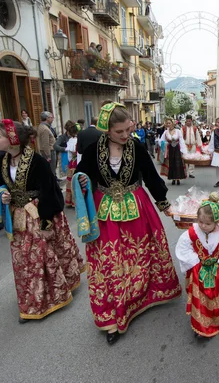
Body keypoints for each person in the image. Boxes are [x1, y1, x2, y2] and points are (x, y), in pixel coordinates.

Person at [74, 103, 181, 344]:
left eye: (128, 130)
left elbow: (152, 176)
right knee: (110, 261)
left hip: (137, 207)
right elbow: (81, 174)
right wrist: (81, 182)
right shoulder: (93, 149)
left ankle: (143, 296)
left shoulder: (136, 146)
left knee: (141, 254)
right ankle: (113, 314)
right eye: (119, 132)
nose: (125, 136)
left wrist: (164, 204)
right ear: (107, 130)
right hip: (106, 212)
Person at [0, 120, 85, 323]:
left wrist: (46, 225)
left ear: (13, 140)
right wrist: (3, 195)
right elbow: (0, 186)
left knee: (41, 258)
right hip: (18, 218)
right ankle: (32, 299)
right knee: (24, 262)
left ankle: (40, 301)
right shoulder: (2, 162)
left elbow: (50, 192)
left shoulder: (37, 161)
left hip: (40, 215)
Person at [175, 193, 219, 338]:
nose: (203, 226)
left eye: (208, 224)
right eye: (200, 222)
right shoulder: (191, 234)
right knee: (201, 297)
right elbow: (183, 248)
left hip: (217, 271)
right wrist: (195, 262)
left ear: (216, 222)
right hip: (199, 270)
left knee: (217, 296)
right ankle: (201, 324)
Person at [160, 118, 187, 185]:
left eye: (170, 123)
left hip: (177, 149)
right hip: (170, 149)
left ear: (173, 123)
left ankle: (178, 179)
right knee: (171, 163)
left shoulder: (178, 131)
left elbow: (181, 141)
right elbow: (161, 141)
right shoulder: (165, 132)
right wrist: (165, 144)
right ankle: (172, 178)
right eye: (167, 123)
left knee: (178, 163)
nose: (169, 124)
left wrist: (183, 150)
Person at [64, 124, 79, 207]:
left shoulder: (70, 141)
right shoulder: (78, 140)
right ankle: (75, 201)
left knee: (70, 181)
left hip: (72, 163)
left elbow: (69, 155)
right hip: (77, 162)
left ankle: (69, 201)